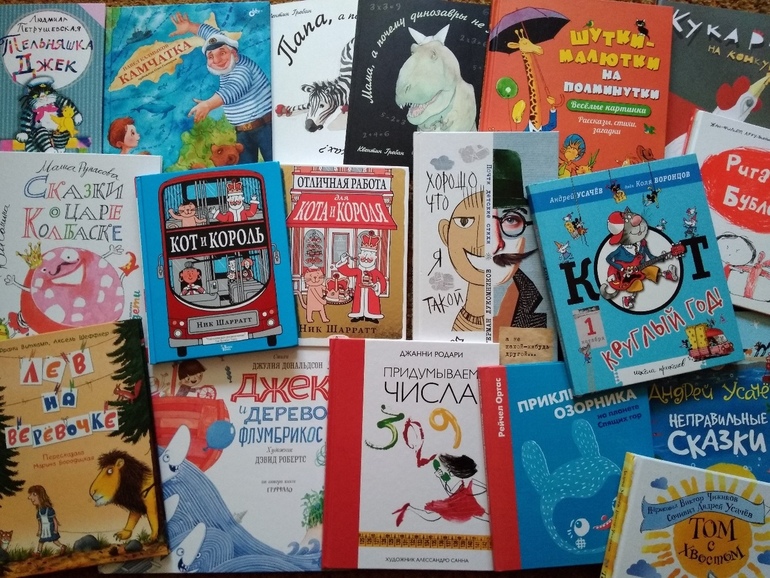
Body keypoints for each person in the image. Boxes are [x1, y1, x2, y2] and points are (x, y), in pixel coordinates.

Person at [169, 12, 272, 163]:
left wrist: (208, 104)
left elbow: (233, 89)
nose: (216, 60)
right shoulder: (229, 62)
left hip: (266, 129)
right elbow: (211, 34)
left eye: (222, 53)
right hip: (242, 132)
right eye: (210, 56)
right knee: (246, 173)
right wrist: (190, 26)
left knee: (275, 167)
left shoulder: (242, 69)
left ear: (233, 53)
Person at [28, 485, 67, 556]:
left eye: (34, 494)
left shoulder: (49, 510)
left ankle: (62, 546)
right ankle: (38, 553)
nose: (30, 497)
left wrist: (55, 529)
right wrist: (39, 530)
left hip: (50, 529)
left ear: (41, 496)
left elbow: (55, 520)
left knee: (54, 540)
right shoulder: (39, 512)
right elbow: (39, 523)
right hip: (44, 530)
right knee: (41, 541)